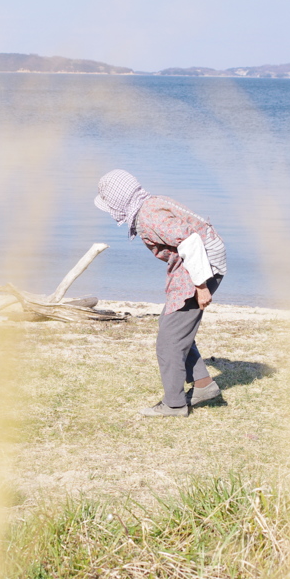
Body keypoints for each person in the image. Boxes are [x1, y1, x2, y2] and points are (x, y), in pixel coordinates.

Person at [94, 169, 227, 417]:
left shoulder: (148, 217)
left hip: (201, 266)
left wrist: (201, 287)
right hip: (196, 264)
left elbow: (190, 241)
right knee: (173, 329)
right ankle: (203, 385)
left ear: (117, 201)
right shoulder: (150, 204)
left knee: (168, 342)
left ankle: (174, 405)